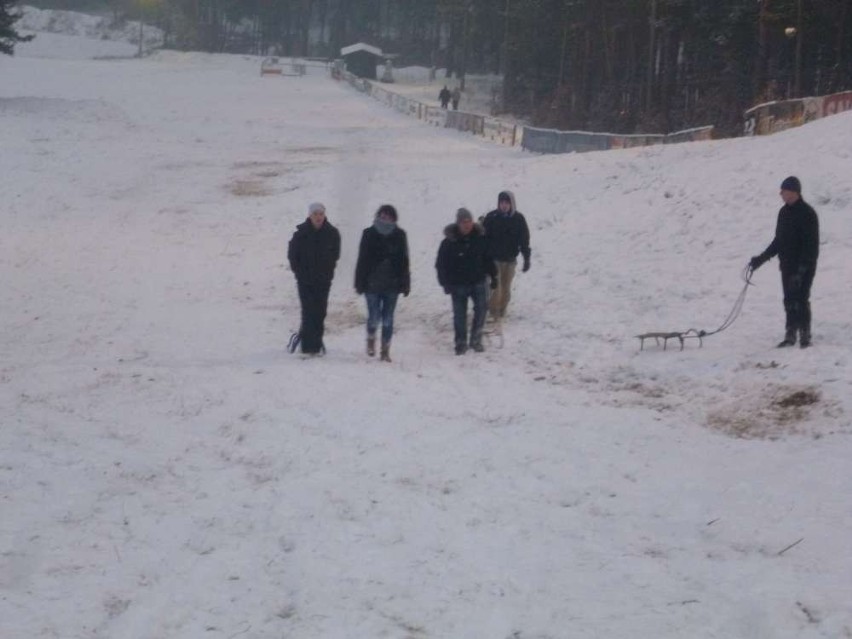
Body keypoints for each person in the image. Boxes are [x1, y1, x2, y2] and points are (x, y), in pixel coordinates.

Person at [749, 176, 820, 348]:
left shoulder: (808, 213)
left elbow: (811, 245)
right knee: (788, 299)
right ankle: (790, 333)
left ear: (794, 192)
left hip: (804, 266)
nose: (781, 194)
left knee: (801, 298)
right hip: (787, 265)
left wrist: (802, 270)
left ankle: (805, 333)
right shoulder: (783, 213)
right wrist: (762, 258)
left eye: (784, 190)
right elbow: (779, 241)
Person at [436, 208, 498, 355]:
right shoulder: (448, 242)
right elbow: (441, 264)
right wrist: (445, 283)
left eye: (469, 221)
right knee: (459, 315)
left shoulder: (480, 239)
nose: (467, 225)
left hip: (478, 281)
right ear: (458, 223)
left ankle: (476, 340)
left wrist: (494, 276)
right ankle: (460, 342)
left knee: (481, 310)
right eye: (463, 222)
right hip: (458, 284)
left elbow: (487, 258)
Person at [354, 204, 411, 362]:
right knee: (374, 316)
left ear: (394, 218)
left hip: (392, 284)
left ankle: (385, 350)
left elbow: (404, 261)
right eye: (382, 216)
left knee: (388, 319)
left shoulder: (400, 235)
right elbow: (362, 259)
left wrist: (405, 283)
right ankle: (371, 337)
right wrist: (359, 282)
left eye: (389, 216)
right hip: (372, 284)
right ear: (378, 216)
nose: (385, 219)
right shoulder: (369, 234)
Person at [287, 202, 341, 356]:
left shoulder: (332, 233)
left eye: (320, 214)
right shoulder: (300, 233)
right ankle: (307, 347)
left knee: (320, 311)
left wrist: (328, 269)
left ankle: (316, 345)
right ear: (310, 216)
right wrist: (299, 272)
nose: (318, 217)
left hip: (323, 280)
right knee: (308, 311)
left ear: (324, 215)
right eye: (315, 214)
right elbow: (292, 254)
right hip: (305, 281)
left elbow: (335, 254)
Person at [482, 190, 531, 320]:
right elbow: (483, 238)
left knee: (506, 288)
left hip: (510, 260)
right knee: (496, 287)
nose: (504, 205)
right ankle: (494, 312)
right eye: (501, 203)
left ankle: (502, 309)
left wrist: (526, 258)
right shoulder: (492, 218)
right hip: (494, 260)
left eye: (507, 203)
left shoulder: (518, 219)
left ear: (511, 204)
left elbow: (524, 240)